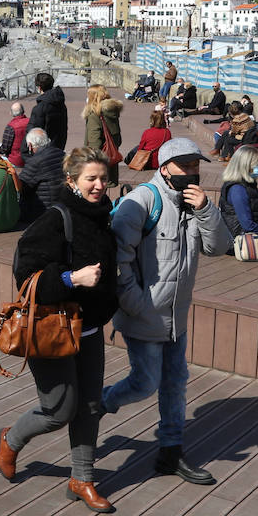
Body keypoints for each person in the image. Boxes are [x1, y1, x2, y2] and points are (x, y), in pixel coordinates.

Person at [103, 137, 232, 485]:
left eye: (196, 166)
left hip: (177, 317)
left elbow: (219, 247)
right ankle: (97, 404)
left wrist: (207, 210)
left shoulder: (196, 203)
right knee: (145, 383)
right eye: (185, 166)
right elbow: (118, 260)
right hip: (145, 314)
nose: (192, 172)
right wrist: (138, 304)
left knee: (175, 383)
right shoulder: (142, 201)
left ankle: (170, 453)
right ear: (164, 168)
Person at [0, 147, 119, 512]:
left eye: (103, 178)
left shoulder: (103, 217)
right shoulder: (55, 219)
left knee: (90, 407)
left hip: (89, 329)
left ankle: (82, 478)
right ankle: (11, 437)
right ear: (71, 181)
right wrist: (71, 278)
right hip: (51, 329)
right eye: (90, 179)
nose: (99, 185)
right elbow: (26, 276)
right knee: (58, 410)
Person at [19, 128, 66, 221]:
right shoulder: (61, 153)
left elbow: (21, 186)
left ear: (30, 146)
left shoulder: (35, 161)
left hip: (43, 209)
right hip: (63, 205)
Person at [83, 84, 123, 185]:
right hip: (111, 161)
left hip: (98, 165)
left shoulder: (94, 115)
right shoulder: (112, 112)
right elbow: (118, 139)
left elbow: (94, 143)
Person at [27, 72, 68, 150]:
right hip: (59, 145)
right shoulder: (60, 103)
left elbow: (34, 131)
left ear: (39, 88)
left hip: (44, 149)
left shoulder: (40, 108)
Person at [0, 102, 28, 167]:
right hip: (29, 159)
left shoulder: (11, 126)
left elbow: (5, 149)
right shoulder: (31, 122)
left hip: (15, 161)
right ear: (23, 111)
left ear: (11, 113)